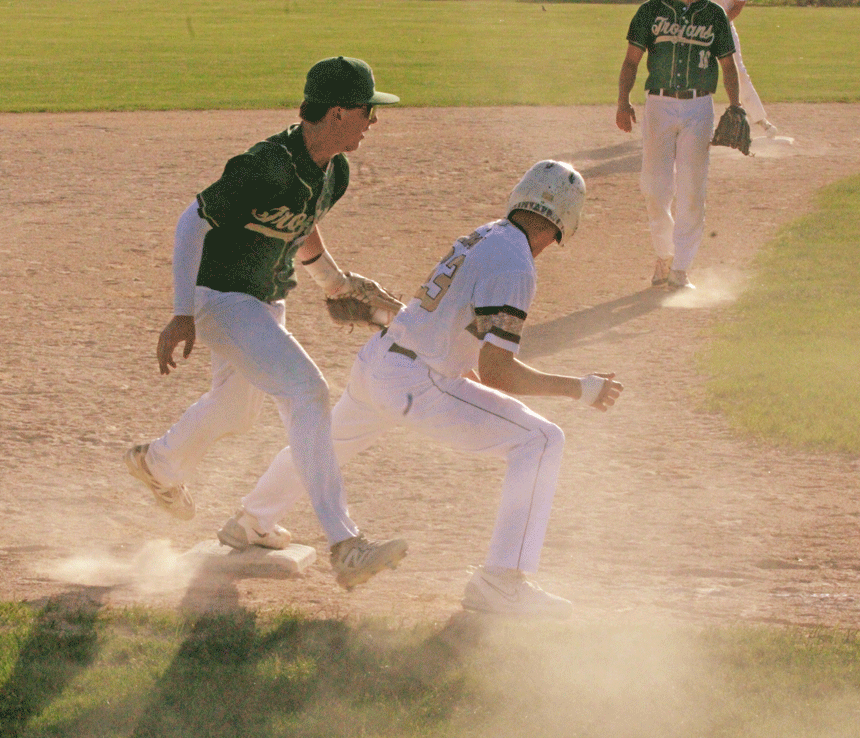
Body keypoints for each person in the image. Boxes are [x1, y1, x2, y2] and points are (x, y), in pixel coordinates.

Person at [230, 161, 624, 615]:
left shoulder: (487, 235)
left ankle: (251, 521)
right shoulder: (516, 265)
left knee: (327, 443)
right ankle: (501, 582)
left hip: (380, 360)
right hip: (418, 383)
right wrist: (581, 389)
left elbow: (472, 353)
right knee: (540, 440)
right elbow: (498, 370)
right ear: (563, 224)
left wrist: (484, 397)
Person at [124, 56, 408, 589]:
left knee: (235, 411)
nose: (374, 120)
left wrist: (332, 283)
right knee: (307, 393)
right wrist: (182, 311)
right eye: (369, 109)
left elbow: (302, 227)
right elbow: (195, 220)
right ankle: (344, 543)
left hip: (264, 302)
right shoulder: (265, 163)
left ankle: (157, 465)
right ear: (339, 112)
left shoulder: (334, 171)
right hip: (221, 298)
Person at [616, 0, 741, 291]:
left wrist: (735, 106)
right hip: (659, 105)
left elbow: (728, 65)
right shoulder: (651, 10)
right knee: (654, 189)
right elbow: (631, 60)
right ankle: (665, 255)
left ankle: (681, 267)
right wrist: (623, 101)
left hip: (699, 107)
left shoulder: (714, 14)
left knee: (692, 188)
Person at [716, 0, 777, 136]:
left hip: (725, 27)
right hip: (696, 29)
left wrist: (719, 24)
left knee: (740, 73)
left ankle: (760, 119)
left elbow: (738, 5)